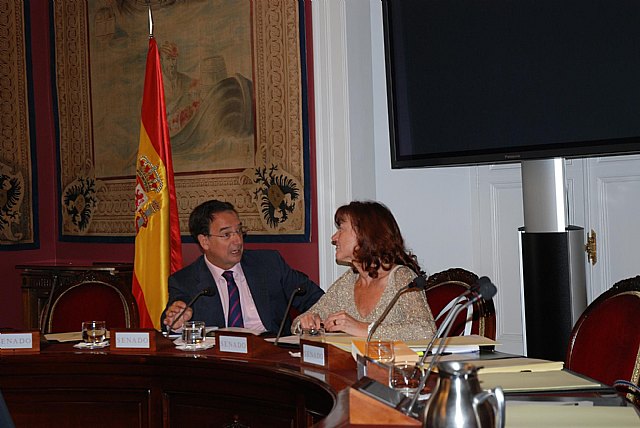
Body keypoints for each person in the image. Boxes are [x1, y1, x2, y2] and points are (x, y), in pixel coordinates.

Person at [162, 200, 323, 334]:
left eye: (239, 231)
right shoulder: (184, 281)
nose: (238, 241)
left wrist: (311, 317)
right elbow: (170, 321)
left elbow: (317, 298)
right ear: (205, 241)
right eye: (226, 235)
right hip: (219, 361)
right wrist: (176, 322)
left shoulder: (269, 264)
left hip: (271, 355)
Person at [292, 201, 436, 342]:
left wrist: (362, 328)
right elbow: (299, 322)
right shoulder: (349, 280)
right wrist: (307, 322)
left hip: (394, 365)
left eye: (341, 229)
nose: (334, 238)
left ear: (365, 234)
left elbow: (425, 330)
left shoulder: (401, 277)